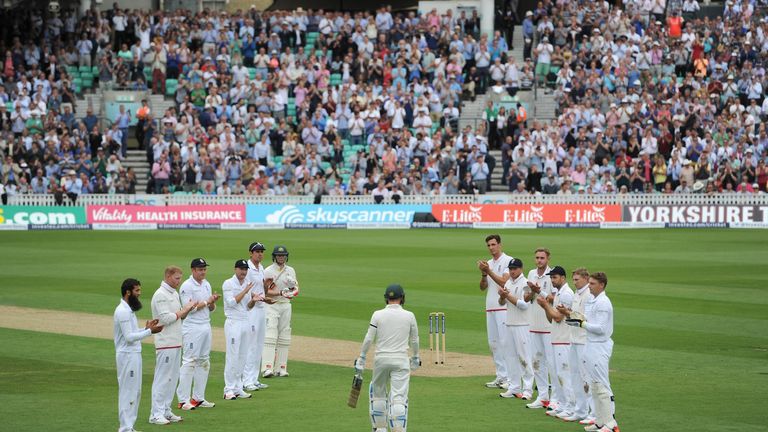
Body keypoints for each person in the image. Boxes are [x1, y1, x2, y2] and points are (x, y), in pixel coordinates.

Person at [354, 284, 420, 432]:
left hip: (381, 359)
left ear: (386, 299)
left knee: (377, 394)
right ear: (402, 298)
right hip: (401, 360)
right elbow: (414, 340)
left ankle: (380, 429)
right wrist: (415, 357)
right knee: (398, 398)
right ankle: (398, 429)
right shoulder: (409, 315)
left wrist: (361, 358)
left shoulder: (377, 314)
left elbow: (369, 338)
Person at [566, 272, 619, 432]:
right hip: (589, 344)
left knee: (602, 385)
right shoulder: (591, 299)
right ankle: (600, 421)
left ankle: (611, 424)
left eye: (593, 283)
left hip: (600, 345)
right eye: (589, 283)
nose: (589, 286)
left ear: (601, 285)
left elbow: (601, 329)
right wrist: (573, 317)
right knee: (594, 385)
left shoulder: (603, 302)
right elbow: (587, 320)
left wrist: (581, 324)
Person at [114, 278, 163, 432]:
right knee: (128, 391)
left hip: (133, 354)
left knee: (135, 391)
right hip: (127, 356)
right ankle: (125, 428)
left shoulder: (128, 310)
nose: (139, 294)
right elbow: (128, 338)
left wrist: (145, 328)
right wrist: (149, 332)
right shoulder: (122, 311)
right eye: (137, 291)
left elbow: (132, 333)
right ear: (128, 292)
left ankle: (129, 426)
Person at [149, 266, 196, 425]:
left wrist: (188, 310)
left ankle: (166, 410)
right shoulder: (160, 295)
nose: (179, 281)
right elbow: (165, 319)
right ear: (168, 276)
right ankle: (155, 414)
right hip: (165, 343)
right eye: (176, 278)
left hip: (176, 342)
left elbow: (179, 317)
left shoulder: (174, 293)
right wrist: (184, 310)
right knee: (162, 379)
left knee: (172, 378)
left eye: (180, 278)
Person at [177, 258, 220, 410]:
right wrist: (207, 302)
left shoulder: (206, 284)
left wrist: (212, 301)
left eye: (204, 269)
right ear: (193, 270)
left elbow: (211, 308)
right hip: (192, 327)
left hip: (205, 325)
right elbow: (190, 308)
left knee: (204, 361)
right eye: (200, 269)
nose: (203, 272)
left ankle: (198, 398)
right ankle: (183, 400)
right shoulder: (187, 286)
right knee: (189, 361)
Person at [534, 266, 575, 420]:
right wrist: (546, 307)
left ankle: (571, 407)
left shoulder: (566, 294)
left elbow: (558, 318)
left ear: (563, 278)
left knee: (564, 374)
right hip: (557, 338)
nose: (552, 280)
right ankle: (563, 405)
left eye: (555, 277)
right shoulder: (558, 293)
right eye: (551, 278)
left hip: (564, 340)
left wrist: (545, 305)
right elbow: (551, 318)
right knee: (558, 374)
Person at [558, 268, 594, 424]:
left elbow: (587, 318)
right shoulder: (576, 294)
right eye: (574, 279)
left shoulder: (589, 295)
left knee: (586, 377)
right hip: (573, 339)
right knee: (575, 375)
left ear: (586, 278)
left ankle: (593, 413)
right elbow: (574, 315)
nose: (575, 282)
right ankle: (580, 410)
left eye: (577, 279)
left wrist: (568, 313)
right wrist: (567, 312)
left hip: (584, 340)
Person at [477, 234, 513, 389]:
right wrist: (484, 274)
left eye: (493, 244)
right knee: (494, 344)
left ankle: (511, 378)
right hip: (490, 306)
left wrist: (489, 271)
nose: (491, 248)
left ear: (499, 244)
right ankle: (501, 375)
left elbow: (504, 282)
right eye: (488, 245)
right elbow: (482, 287)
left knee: (505, 343)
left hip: (503, 307)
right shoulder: (489, 263)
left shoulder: (508, 261)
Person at [497, 258, 534, 400]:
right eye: (511, 269)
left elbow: (524, 305)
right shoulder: (508, 282)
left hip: (522, 325)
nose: (512, 271)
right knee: (510, 357)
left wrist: (508, 296)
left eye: (515, 269)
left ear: (521, 269)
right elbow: (502, 303)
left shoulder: (525, 284)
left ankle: (528, 389)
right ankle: (514, 387)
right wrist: (502, 296)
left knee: (524, 357)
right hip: (510, 323)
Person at [261, 245, 300, 377]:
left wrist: (291, 290)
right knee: (270, 335)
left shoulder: (291, 270)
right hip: (272, 305)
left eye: (283, 255)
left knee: (284, 335)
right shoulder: (267, 271)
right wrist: (281, 292)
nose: (281, 257)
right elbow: (264, 291)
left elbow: (297, 290)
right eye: (278, 255)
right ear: (274, 256)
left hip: (286, 305)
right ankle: (267, 367)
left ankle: (281, 368)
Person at [222, 259, 257, 400]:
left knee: (243, 355)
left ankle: (238, 387)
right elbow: (231, 303)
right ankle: (228, 389)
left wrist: (254, 300)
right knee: (232, 356)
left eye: (245, 269)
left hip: (245, 321)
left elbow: (248, 307)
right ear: (235, 269)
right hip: (233, 323)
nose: (243, 272)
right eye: (241, 269)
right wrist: (245, 291)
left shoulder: (247, 283)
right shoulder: (228, 283)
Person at [524, 248, 555, 409]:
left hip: (549, 326)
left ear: (548, 259)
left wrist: (539, 291)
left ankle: (556, 399)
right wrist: (531, 292)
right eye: (537, 257)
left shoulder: (553, 275)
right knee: (537, 363)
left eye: (542, 258)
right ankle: (543, 397)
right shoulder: (531, 273)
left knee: (552, 363)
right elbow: (526, 297)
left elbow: (554, 298)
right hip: (533, 324)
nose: (539, 260)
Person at [243, 242, 275, 390]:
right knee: (251, 344)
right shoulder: (247, 269)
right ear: (251, 253)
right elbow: (245, 289)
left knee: (259, 344)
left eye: (262, 251)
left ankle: (254, 378)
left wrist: (266, 288)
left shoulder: (261, 267)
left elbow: (261, 290)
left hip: (262, 308)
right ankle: (246, 380)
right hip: (252, 309)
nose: (260, 254)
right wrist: (262, 298)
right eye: (257, 251)